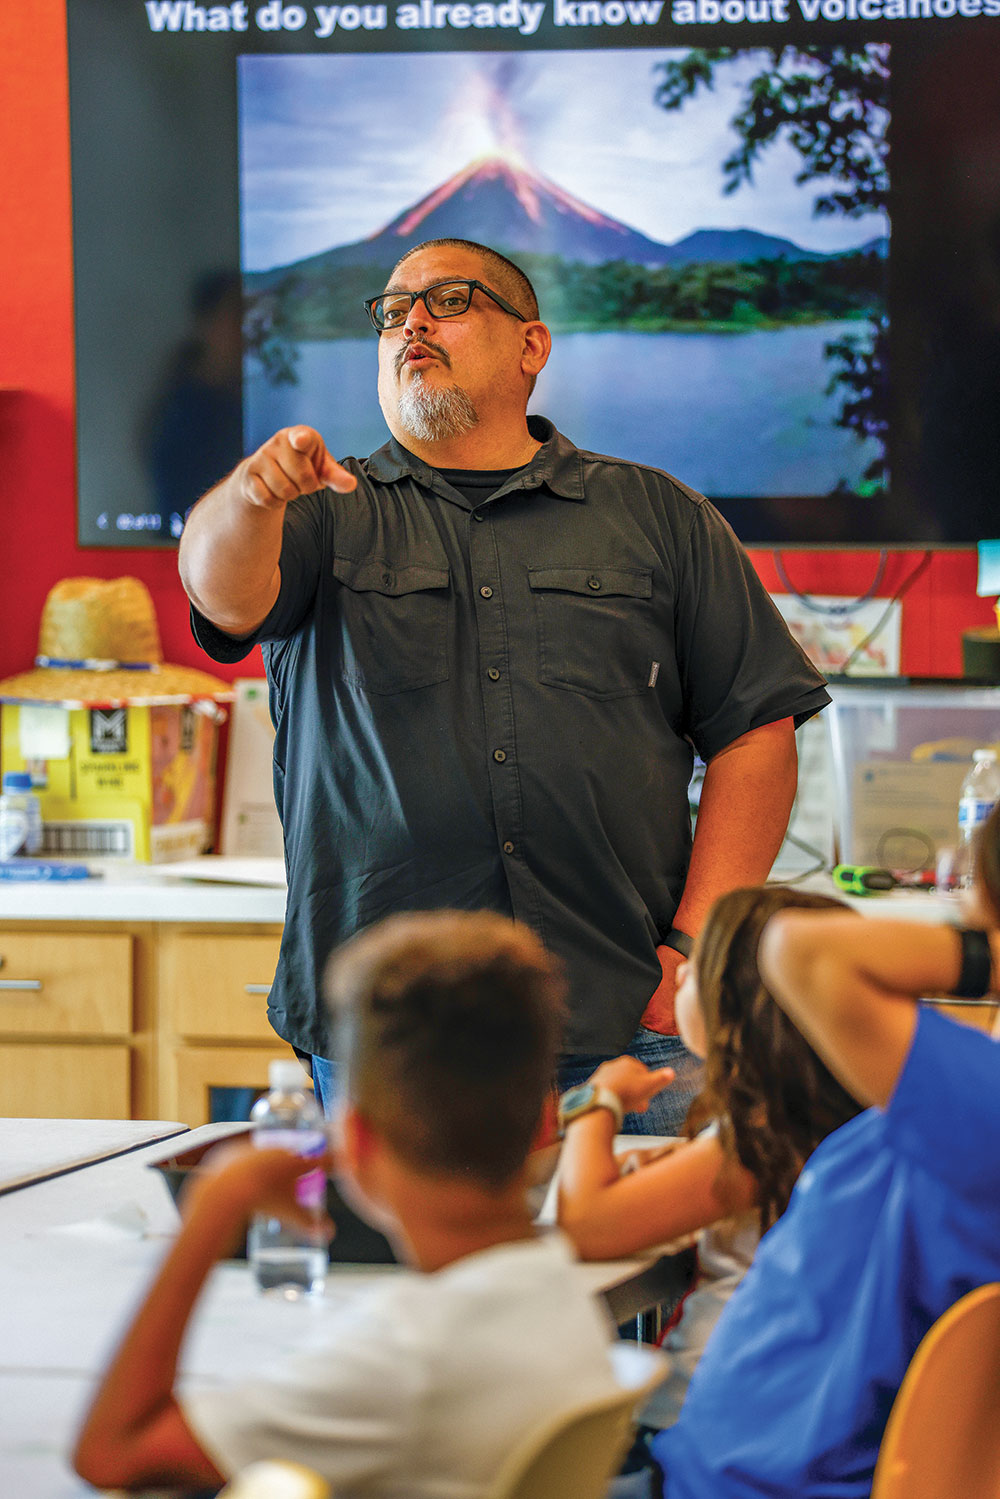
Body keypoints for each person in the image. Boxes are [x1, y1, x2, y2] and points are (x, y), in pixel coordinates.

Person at [178, 237, 830, 1133]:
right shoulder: (316, 516)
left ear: (532, 345)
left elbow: (756, 729)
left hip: (628, 1024)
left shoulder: (660, 516)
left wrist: (689, 951)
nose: (410, 319)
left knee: (646, 1271)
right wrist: (251, 494)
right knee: (413, 1278)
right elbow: (217, 591)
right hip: (390, 1034)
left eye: (448, 300)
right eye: (394, 308)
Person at [72, 909, 623, 1495]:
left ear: (354, 1139)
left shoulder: (403, 1355)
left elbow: (112, 1453)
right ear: (546, 1126)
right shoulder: (560, 1287)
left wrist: (216, 1204)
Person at [648, 802, 1000, 1498]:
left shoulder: (974, 1103)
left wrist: (983, 955)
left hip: (756, 1481)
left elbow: (799, 947)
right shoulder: (956, 1090)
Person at [556, 885, 861, 1440]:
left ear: (739, 1009)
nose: (677, 979)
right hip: (790, 1420)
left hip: (704, 1429)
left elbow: (585, 1228)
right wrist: (682, 1162)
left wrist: (596, 1102)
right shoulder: (837, 1124)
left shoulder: (756, 1144)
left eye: (695, 970)